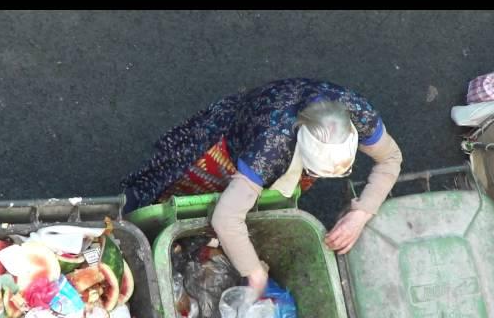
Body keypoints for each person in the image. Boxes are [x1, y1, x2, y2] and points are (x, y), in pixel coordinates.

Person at [121, 78, 403, 295]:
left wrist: (362, 212)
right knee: (170, 182)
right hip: (232, 140)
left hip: (273, 136)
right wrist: (255, 273)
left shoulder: (356, 112)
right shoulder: (270, 147)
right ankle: (128, 211)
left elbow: (390, 158)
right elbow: (226, 218)